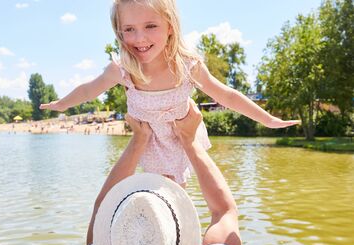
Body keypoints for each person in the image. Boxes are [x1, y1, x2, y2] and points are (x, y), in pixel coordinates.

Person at [40, 0, 300, 185]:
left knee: (178, 196)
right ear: (119, 33)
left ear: (170, 26)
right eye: (129, 29)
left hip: (181, 136)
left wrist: (267, 119)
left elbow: (226, 95)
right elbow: (88, 89)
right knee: (152, 194)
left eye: (150, 26)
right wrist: (63, 104)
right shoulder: (123, 70)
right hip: (149, 140)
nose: (139, 38)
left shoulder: (187, 66)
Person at [76, 103, 261, 245]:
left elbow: (99, 209)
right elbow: (224, 211)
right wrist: (189, 141)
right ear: (181, 238)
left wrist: (139, 140)